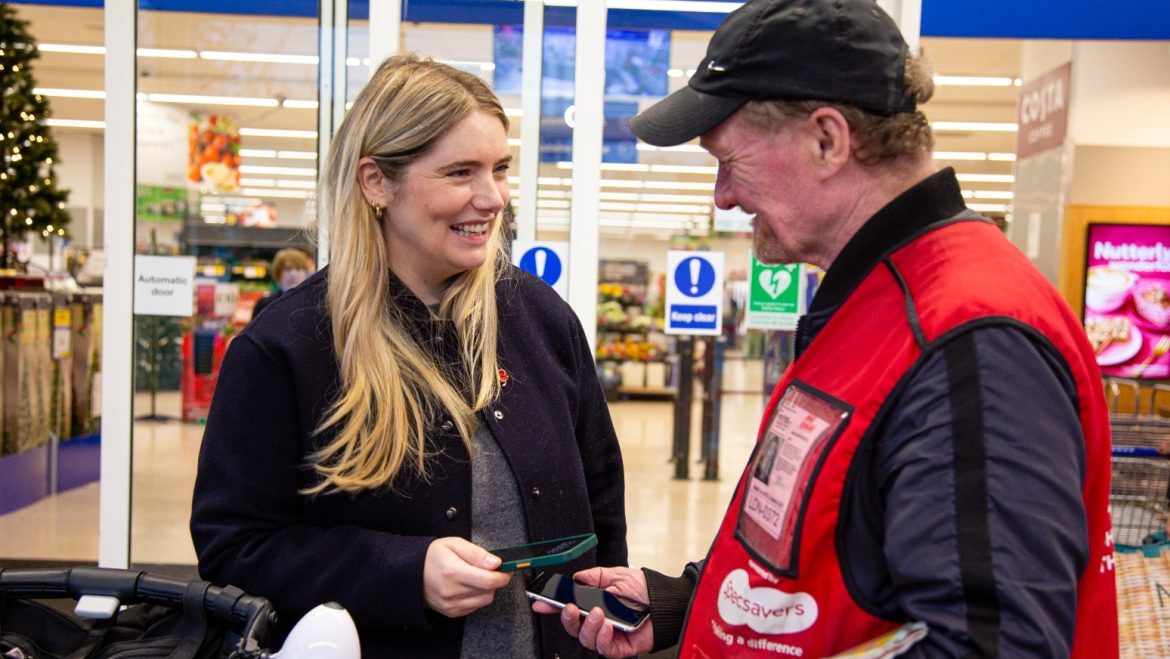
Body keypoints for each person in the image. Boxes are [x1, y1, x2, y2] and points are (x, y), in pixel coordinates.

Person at [540, 1, 1117, 657]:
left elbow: (991, 645)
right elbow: (831, 549)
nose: (722, 196)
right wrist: (685, 605)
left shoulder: (970, 340)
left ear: (827, 140)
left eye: (730, 160)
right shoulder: (876, 300)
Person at [191, 54, 628, 658]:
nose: (493, 196)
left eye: (500, 169)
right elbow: (234, 544)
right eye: (460, 173)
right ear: (376, 183)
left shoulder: (538, 317)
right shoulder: (289, 346)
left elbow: (601, 505)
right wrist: (403, 571)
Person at [250, 247, 313, 319]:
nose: (293, 274)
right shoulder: (265, 305)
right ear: (278, 273)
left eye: (298, 269)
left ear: (305, 273)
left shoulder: (312, 306)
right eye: (288, 269)